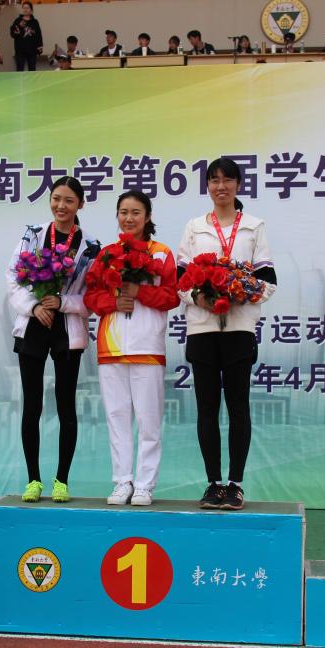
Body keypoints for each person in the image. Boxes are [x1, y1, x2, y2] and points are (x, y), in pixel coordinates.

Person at [176, 157, 277, 511]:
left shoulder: (254, 226)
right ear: (207, 186)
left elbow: (268, 282)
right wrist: (199, 298)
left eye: (227, 180)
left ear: (238, 184)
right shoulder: (194, 227)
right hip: (202, 328)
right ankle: (212, 483)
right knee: (206, 409)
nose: (221, 186)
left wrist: (240, 292)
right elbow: (180, 281)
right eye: (214, 180)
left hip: (238, 328)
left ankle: (235, 484)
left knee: (238, 407)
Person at [6, 176, 100, 504]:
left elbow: (92, 297)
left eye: (69, 200)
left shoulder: (91, 246)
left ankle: (62, 480)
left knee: (65, 404)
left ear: (80, 204)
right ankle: (33, 479)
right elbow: (13, 277)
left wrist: (62, 303)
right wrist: (34, 307)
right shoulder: (32, 235)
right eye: (56, 199)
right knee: (32, 404)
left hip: (66, 329)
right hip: (34, 325)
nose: (61, 206)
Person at [84, 191, 178, 507]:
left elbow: (171, 297)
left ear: (147, 216)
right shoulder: (106, 254)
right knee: (117, 418)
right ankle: (122, 481)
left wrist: (140, 292)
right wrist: (114, 302)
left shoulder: (161, 254)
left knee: (149, 421)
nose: (129, 218)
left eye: (136, 212)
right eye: (123, 212)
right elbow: (90, 297)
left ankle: (145, 485)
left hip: (147, 347)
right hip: (111, 348)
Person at [9, 1, 42, 71]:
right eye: (24, 8)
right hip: (20, 50)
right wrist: (17, 29)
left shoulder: (35, 22)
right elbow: (12, 34)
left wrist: (40, 46)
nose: (25, 9)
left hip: (32, 50)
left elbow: (39, 35)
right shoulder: (17, 20)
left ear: (31, 10)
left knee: (32, 69)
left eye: (27, 8)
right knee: (20, 70)